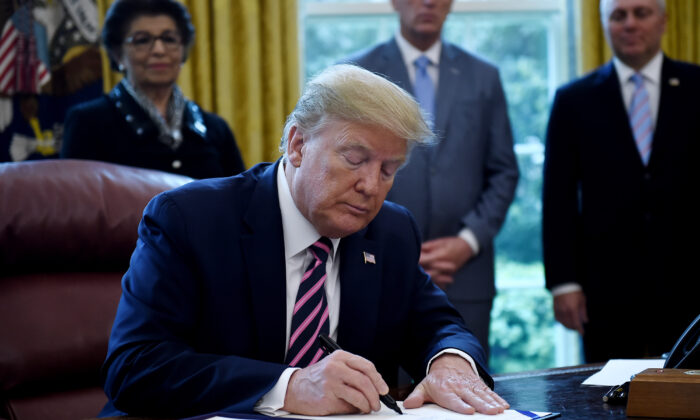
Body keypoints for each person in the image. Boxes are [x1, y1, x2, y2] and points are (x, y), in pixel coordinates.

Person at [99, 64, 509, 418]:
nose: (371, 186)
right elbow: (135, 367)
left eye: (389, 170)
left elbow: (438, 325)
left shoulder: (390, 232)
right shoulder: (191, 220)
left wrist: (450, 362)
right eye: (355, 159)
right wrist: (290, 386)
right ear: (297, 145)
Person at [343, 0, 519, 358]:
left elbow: (504, 171)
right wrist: (398, 246)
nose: (428, 2)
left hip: (465, 272)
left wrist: (468, 242)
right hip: (374, 262)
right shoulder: (356, 74)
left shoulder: (483, 76)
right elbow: (343, 171)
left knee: (465, 384)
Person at [542, 0, 700, 363]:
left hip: (689, 285)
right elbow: (558, 198)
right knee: (605, 405)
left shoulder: (697, 87)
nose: (629, 24)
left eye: (641, 13)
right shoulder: (573, 101)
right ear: (604, 25)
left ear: (663, 21)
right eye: (618, 16)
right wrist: (564, 283)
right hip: (605, 291)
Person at [60, 0, 245, 179]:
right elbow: (76, 205)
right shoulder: (87, 122)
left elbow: (242, 202)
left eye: (169, 39)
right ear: (118, 55)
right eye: (142, 40)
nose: (159, 50)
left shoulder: (215, 128)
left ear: (183, 51)